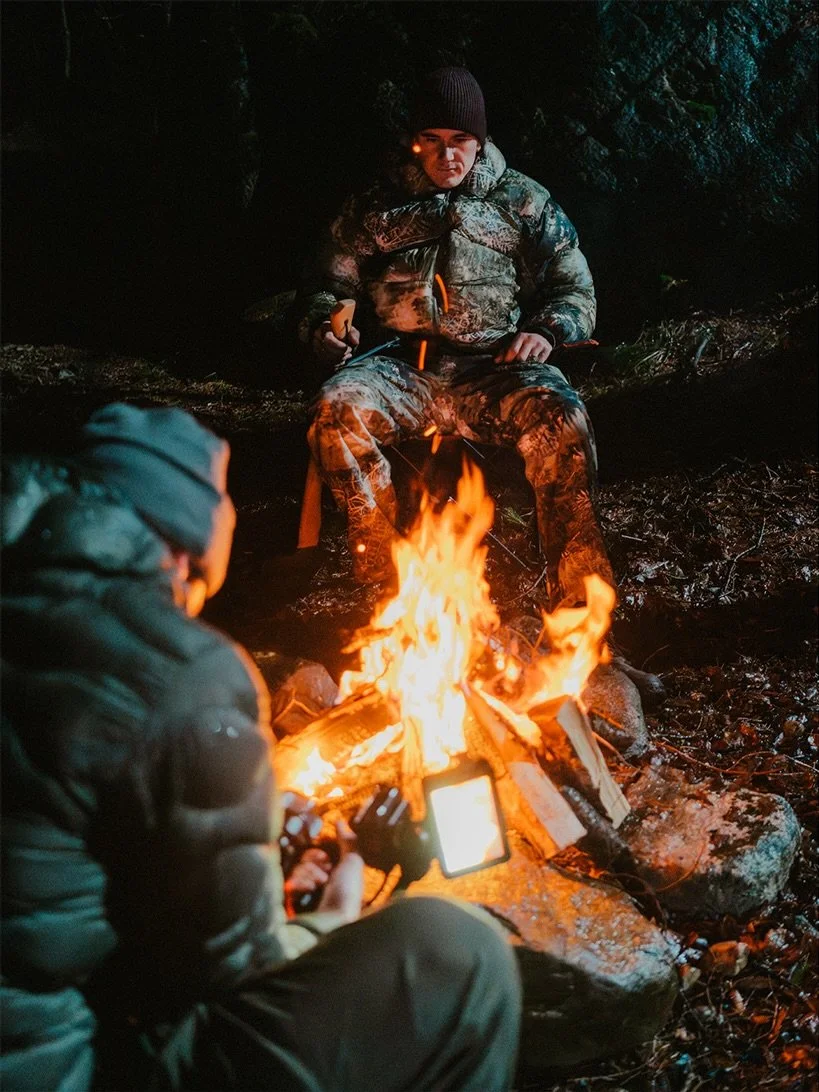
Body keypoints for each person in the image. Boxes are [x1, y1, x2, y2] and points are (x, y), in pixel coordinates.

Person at [1, 402, 522, 1091]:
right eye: (194, 589)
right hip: (73, 1067)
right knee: (464, 954)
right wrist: (330, 910)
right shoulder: (179, 671)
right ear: (185, 550)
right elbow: (230, 973)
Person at [299, 65, 615, 608]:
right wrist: (325, 327)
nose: (448, 156)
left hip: (492, 370)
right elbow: (327, 283)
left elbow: (576, 288)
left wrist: (545, 330)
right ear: (414, 142)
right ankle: (382, 579)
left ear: (480, 140)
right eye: (433, 141)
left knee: (563, 419)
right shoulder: (376, 205)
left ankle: (578, 599)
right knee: (334, 411)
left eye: (461, 141)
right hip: (400, 370)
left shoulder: (523, 201)